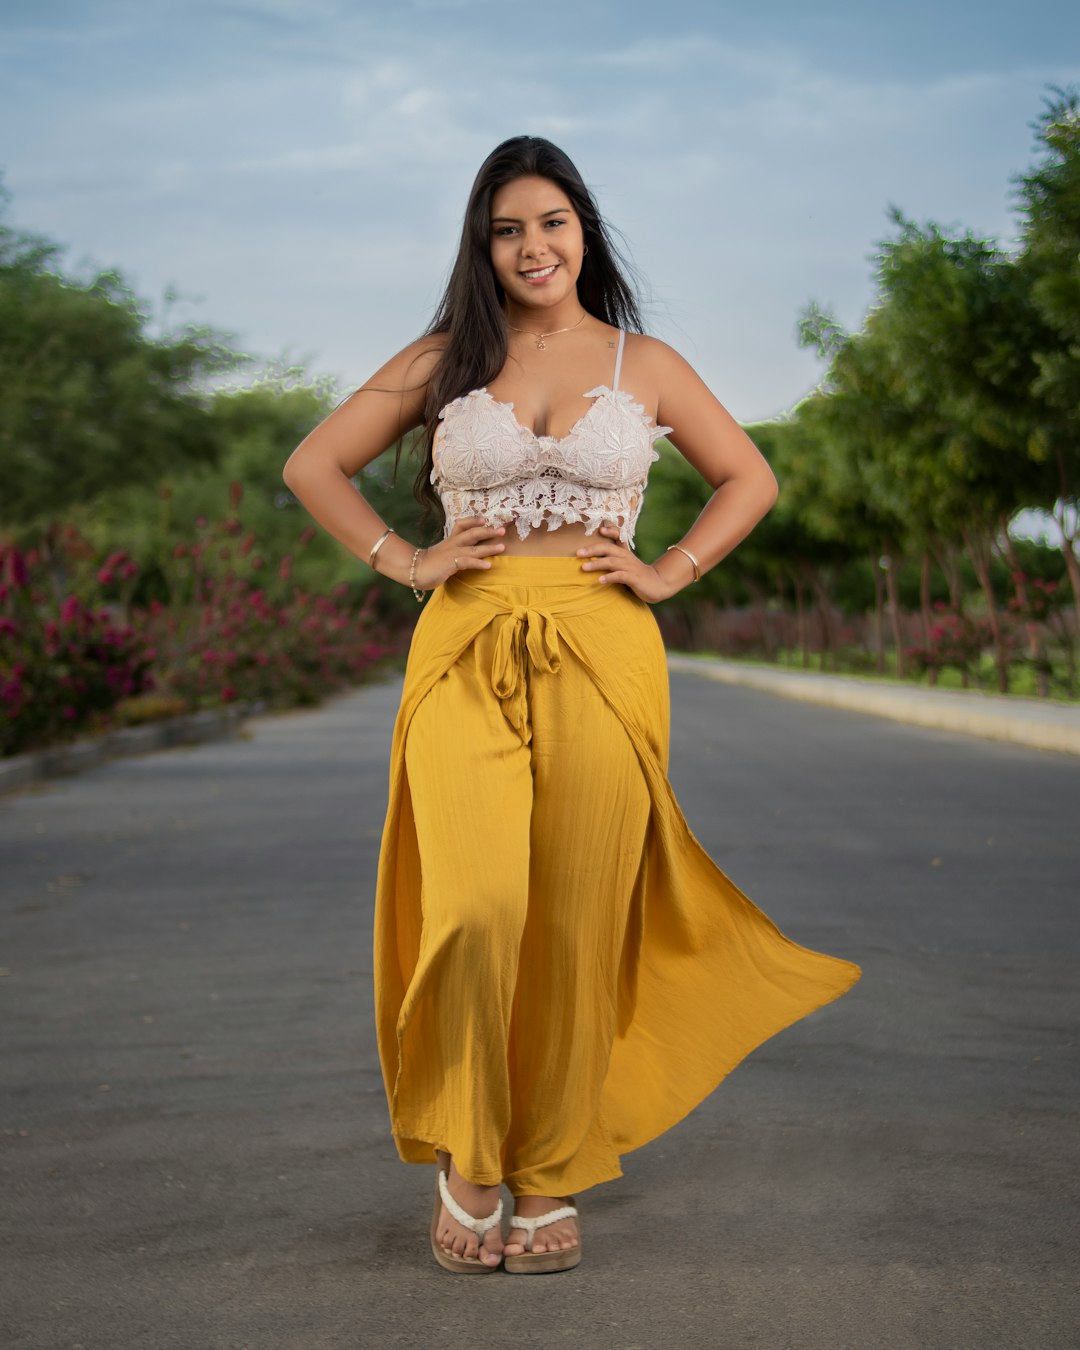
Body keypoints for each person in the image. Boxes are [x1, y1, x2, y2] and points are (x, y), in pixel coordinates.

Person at [281, 135, 861, 1276]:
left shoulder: (644, 362)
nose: (533, 246)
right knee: (480, 906)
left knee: (578, 918)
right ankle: (472, 1153)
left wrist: (671, 569)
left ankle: (547, 1166)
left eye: (551, 221)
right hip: (465, 647)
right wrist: (409, 560)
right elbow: (313, 465)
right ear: (482, 246)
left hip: (606, 648)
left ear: (582, 227)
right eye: (508, 229)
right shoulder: (446, 357)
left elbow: (751, 476)